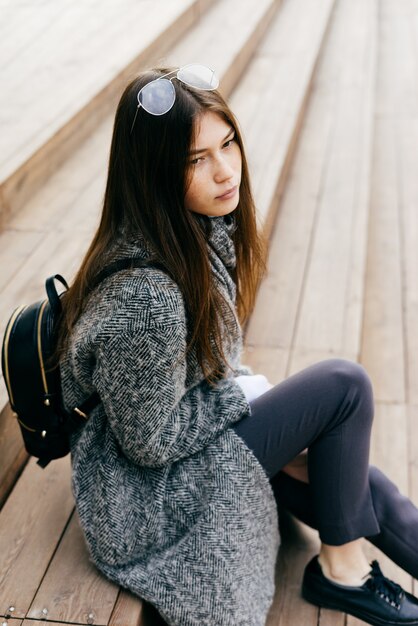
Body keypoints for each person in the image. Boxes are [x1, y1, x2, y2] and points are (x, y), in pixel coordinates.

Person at [58, 64, 418, 626]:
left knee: (348, 471)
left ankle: (345, 571)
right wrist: (243, 400)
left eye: (227, 144)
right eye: (194, 159)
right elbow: (148, 445)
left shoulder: (188, 233)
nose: (226, 171)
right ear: (154, 171)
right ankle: (343, 573)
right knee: (344, 388)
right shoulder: (146, 297)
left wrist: (251, 401)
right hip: (146, 496)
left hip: (179, 445)